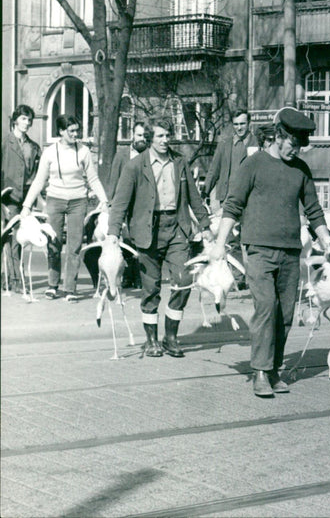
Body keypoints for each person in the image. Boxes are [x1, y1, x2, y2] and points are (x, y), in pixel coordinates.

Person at [209, 107, 330, 397]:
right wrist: (219, 244)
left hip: (290, 252)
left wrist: (326, 239)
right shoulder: (253, 164)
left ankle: (274, 368)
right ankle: (260, 372)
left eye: (300, 145)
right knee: (266, 307)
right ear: (278, 136)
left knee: (285, 314)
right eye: (292, 143)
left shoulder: (301, 170)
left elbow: (314, 210)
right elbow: (233, 205)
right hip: (259, 250)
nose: (296, 150)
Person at [107, 118, 212, 357]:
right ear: (149, 139)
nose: (165, 140)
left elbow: (194, 197)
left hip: (177, 228)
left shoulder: (179, 162)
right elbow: (120, 202)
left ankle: (171, 337)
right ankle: (151, 339)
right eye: (160, 136)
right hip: (148, 231)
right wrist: (113, 233)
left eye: (168, 135)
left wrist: (205, 225)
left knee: (184, 280)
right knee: (150, 287)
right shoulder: (135, 166)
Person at [21, 115, 109, 301]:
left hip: (78, 201)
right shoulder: (50, 152)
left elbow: (93, 178)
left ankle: (70, 289)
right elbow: (39, 180)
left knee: (74, 246)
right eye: (71, 131)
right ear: (61, 131)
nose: (75, 134)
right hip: (55, 200)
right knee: (53, 243)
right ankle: (52, 285)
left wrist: (105, 201)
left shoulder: (83, 151)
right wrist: (27, 206)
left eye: (77, 130)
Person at [84, 121, 149, 290]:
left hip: (142, 204)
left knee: (139, 239)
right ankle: (126, 275)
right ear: (133, 135)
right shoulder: (122, 156)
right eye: (139, 135)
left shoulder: (150, 155)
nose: (142, 139)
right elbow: (114, 180)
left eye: (145, 136)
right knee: (124, 239)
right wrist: (110, 202)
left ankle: (139, 276)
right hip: (124, 202)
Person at [203, 109, 258, 288]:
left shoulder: (256, 143)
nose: (239, 128)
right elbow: (214, 169)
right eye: (236, 124)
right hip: (228, 200)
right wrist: (204, 192)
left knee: (250, 239)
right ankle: (239, 278)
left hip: (250, 200)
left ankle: (256, 278)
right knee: (230, 240)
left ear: (249, 123)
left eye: (242, 124)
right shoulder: (225, 144)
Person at [2, 104, 41, 292]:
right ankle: (15, 278)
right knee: (11, 239)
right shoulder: (5, 143)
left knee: (20, 238)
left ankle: (13, 278)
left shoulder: (33, 147)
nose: (27, 122)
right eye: (24, 118)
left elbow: (37, 175)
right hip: (8, 197)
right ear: (15, 120)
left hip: (26, 199)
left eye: (29, 119)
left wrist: (35, 200)